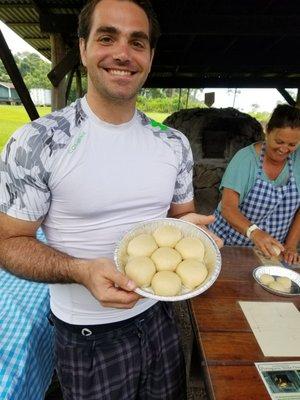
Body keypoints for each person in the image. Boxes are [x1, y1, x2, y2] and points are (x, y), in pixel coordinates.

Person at [0, 1, 221, 399]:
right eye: (107, 37)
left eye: (137, 42)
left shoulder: (173, 143)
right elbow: (8, 242)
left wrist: (195, 235)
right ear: (82, 48)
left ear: (150, 56)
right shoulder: (39, 142)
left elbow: (181, 216)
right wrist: (81, 271)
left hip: (160, 319)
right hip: (87, 334)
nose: (122, 53)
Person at [210, 104, 300, 265]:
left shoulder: (298, 160)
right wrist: (254, 232)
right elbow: (228, 208)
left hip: (270, 252)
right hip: (229, 244)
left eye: (292, 145)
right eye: (279, 141)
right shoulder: (245, 159)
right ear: (267, 131)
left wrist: (291, 245)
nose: (284, 149)